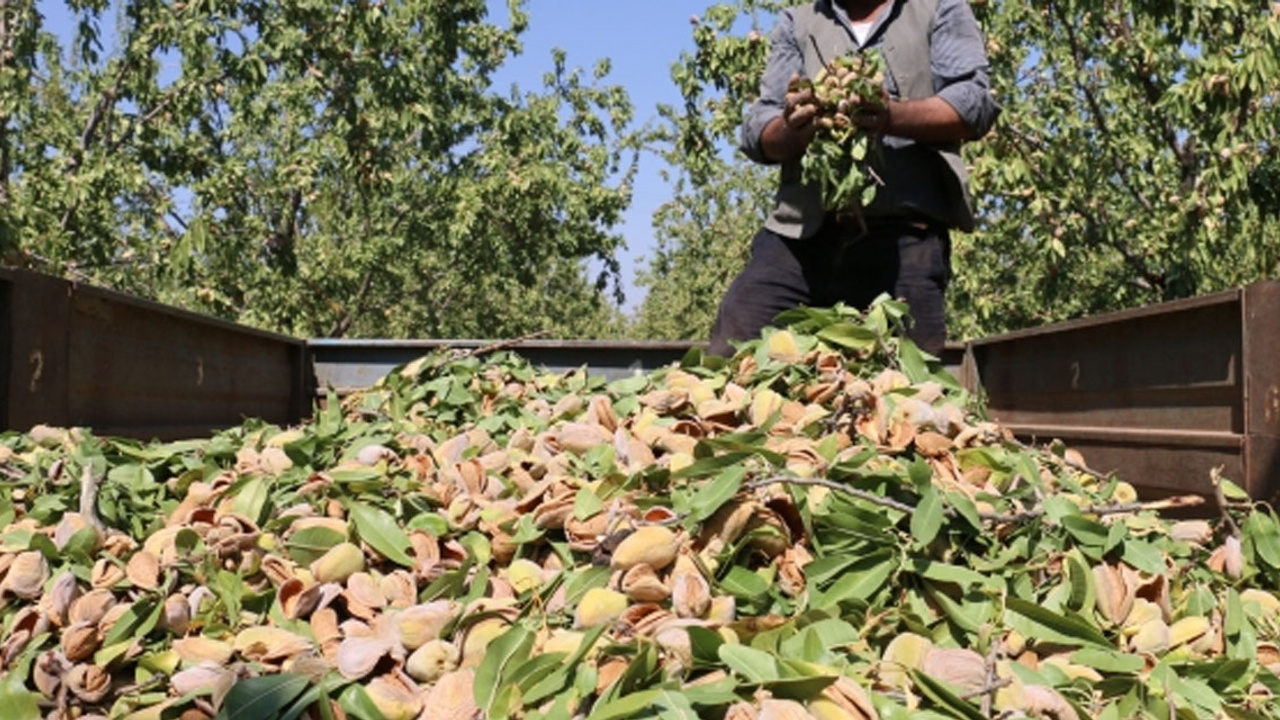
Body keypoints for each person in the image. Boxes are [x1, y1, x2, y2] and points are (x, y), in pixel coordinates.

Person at [708, 0, 999, 357]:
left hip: (906, 237)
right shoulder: (797, 22)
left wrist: (890, 116)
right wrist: (793, 129)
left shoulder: (939, 8)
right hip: (802, 237)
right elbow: (757, 131)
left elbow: (973, 105)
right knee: (732, 348)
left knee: (908, 387)